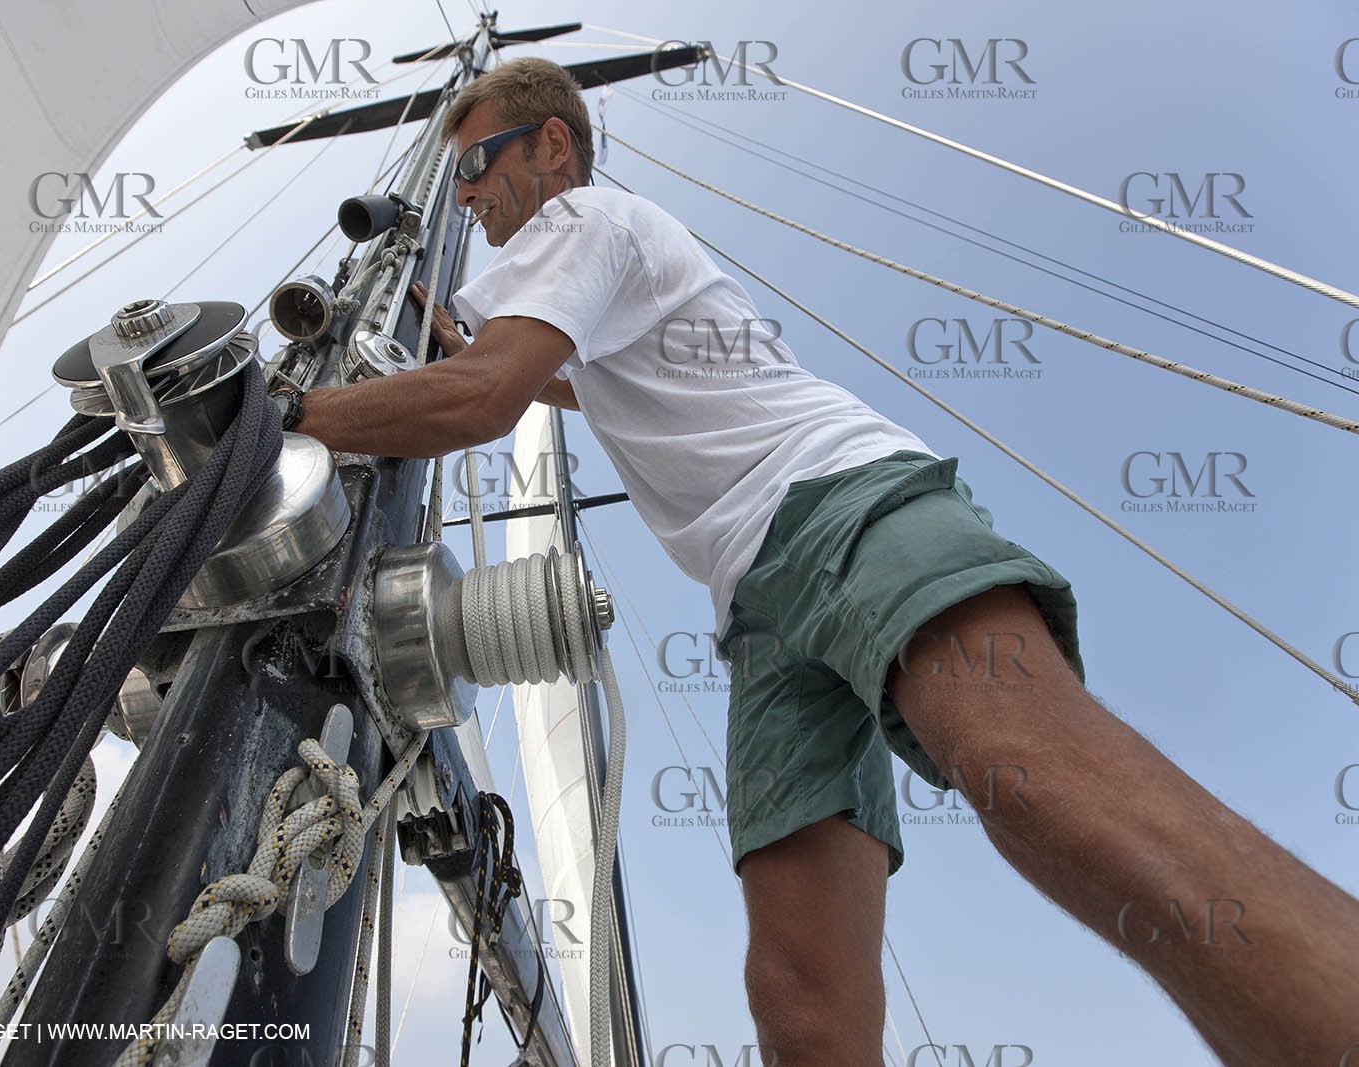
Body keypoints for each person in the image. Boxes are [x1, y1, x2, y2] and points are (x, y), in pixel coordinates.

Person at [284, 56, 1359, 1067]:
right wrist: (430, 346)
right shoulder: (580, 277)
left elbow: (481, 397)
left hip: (840, 502)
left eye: (475, 163)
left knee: (1044, 786)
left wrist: (287, 418)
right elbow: (549, 378)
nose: (464, 196)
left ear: (552, 147)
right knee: (801, 997)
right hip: (758, 610)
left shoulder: (580, 216)